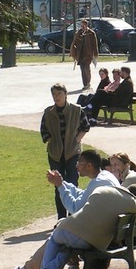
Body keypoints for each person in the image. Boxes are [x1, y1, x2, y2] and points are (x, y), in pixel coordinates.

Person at [0, 150, 119, 269]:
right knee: (63, 237)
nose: (76, 166)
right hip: (108, 232)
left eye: (79, 162)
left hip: (96, 237)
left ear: (89, 166)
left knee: (58, 233)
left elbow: (74, 207)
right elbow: (83, 195)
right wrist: (64, 184)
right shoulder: (105, 177)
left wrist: (60, 186)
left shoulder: (98, 183)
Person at [20, 184, 136, 269]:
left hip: (67, 229)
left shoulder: (102, 189)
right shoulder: (131, 202)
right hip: (90, 240)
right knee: (69, 246)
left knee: (58, 242)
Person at [40, 83, 91, 219]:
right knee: (58, 186)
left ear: (65, 94)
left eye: (59, 94)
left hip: (73, 153)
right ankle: (61, 218)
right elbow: (44, 131)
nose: (56, 97)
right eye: (54, 94)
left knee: (72, 184)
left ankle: (73, 217)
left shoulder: (76, 110)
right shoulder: (48, 112)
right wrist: (52, 141)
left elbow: (85, 126)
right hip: (56, 155)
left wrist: (76, 140)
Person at [70, 18, 99, 90]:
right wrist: (73, 51)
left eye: (84, 25)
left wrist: (95, 54)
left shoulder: (91, 33)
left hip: (88, 54)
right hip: (80, 54)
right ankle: (85, 84)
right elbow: (74, 42)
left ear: (86, 25)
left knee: (87, 69)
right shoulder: (78, 33)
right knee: (82, 69)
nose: (82, 27)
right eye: (81, 25)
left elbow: (94, 44)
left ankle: (88, 83)